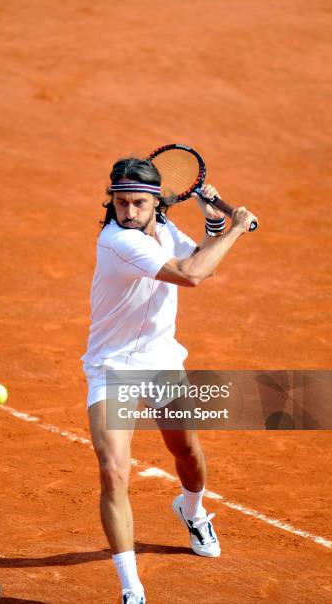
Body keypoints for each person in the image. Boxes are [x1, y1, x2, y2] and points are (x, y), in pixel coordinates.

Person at [81, 157, 257, 604]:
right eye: (121, 203)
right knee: (113, 470)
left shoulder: (162, 232)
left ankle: (192, 510)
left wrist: (214, 224)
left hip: (160, 362)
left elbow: (202, 261)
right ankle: (131, 588)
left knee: (187, 452)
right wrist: (236, 228)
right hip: (113, 369)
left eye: (138, 203)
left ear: (156, 202)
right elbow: (191, 276)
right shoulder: (119, 241)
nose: (128, 211)